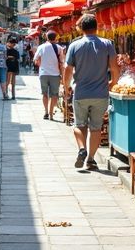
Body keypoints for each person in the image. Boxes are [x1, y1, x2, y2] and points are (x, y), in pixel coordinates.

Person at [63, 14, 120, 172]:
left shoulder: (75, 45)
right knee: (96, 128)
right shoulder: (107, 44)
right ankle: (91, 159)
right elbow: (114, 67)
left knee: (79, 125)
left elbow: (68, 69)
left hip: (81, 92)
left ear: (81, 28)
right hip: (101, 93)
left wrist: (66, 85)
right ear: (98, 27)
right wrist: (113, 83)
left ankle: (82, 149)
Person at [33, 29, 65, 121]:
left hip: (43, 74)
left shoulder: (41, 47)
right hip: (55, 74)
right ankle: (51, 114)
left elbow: (36, 60)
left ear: (46, 37)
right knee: (54, 95)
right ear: (55, 38)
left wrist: (42, 66)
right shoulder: (59, 48)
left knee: (44, 94)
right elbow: (62, 62)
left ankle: (46, 112)